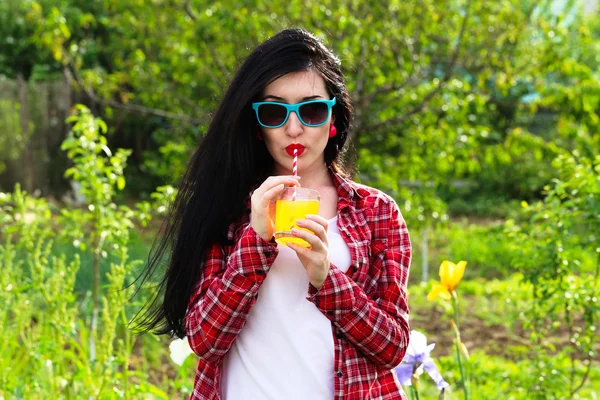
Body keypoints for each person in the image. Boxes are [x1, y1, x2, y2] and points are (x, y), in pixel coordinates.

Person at [134, 28, 412, 400]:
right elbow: (205, 340)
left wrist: (326, 277)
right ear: (256, 125)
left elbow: (392, 347)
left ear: (333, 119)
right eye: (274, 111)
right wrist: (255, 241)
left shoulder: (377, 213)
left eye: (311, 110)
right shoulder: (225, 208)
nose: (293, 128)